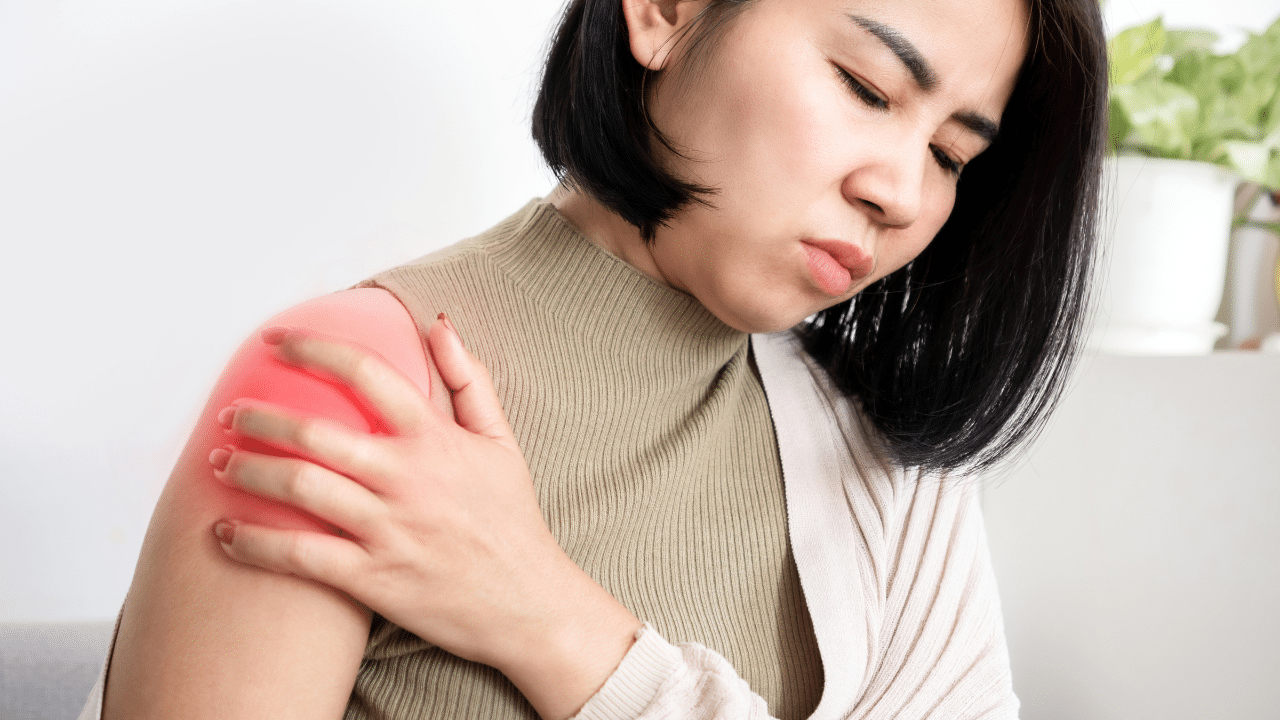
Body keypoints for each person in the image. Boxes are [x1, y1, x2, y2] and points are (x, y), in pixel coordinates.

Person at [82, 0, 1107, 716]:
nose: (901, 192)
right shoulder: (355, 388)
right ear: (663, 8)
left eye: (950, 155)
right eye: (863, 84)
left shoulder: (881, 470)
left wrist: (550, 622)